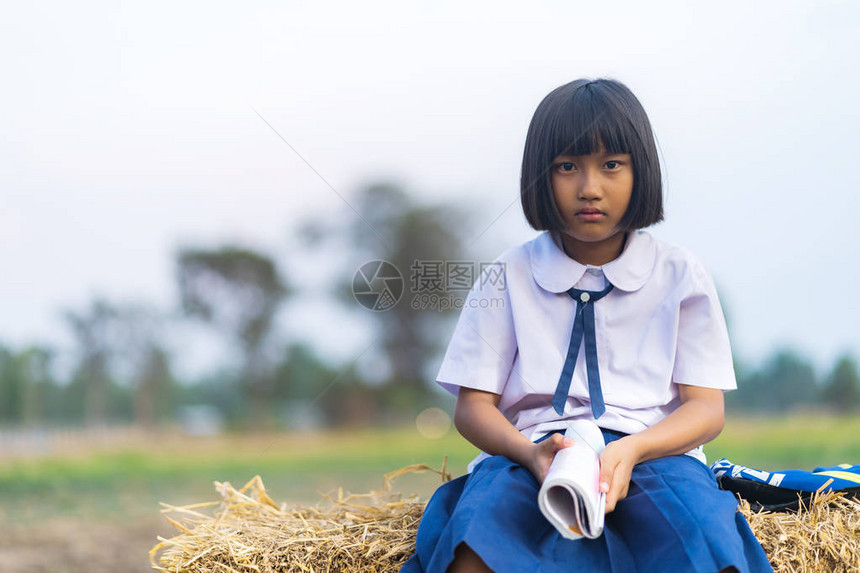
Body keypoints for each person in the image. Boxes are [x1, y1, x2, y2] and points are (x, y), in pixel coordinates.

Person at [400, 78, 773, 573]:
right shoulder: (507, 275)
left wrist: (635, 448)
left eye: (611, 165)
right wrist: (530, 454)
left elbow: (706, 409)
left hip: (653, 451)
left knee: (704, 543)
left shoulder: (680, 274)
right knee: (473, 547)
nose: (589, 187)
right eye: (567, 166)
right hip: (531, 452)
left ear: (642, 172)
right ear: (540, 175)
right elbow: (473, 408)